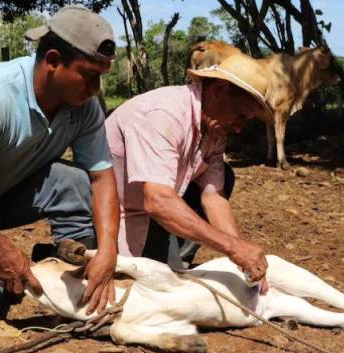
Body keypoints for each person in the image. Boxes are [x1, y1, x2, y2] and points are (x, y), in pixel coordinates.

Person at [0, 5, 119, 321]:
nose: (96, 89)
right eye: (89, 75)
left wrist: (108, 251)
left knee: (72, 180)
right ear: (53, 61)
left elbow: (102, 178)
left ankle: (74, 274)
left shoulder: (84, 107)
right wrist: (2, 249)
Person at [106, 55, 272, 289]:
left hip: (151, 211)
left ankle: (176, 252)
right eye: (241, 115)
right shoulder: (163, 114)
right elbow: (157, 200)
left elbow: (213, 197)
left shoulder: (215, 129)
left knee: (225, 175)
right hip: (111, 213)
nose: (239, 127)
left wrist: (241, 257)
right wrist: (234, 248)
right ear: (219, 90)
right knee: (146, 288)